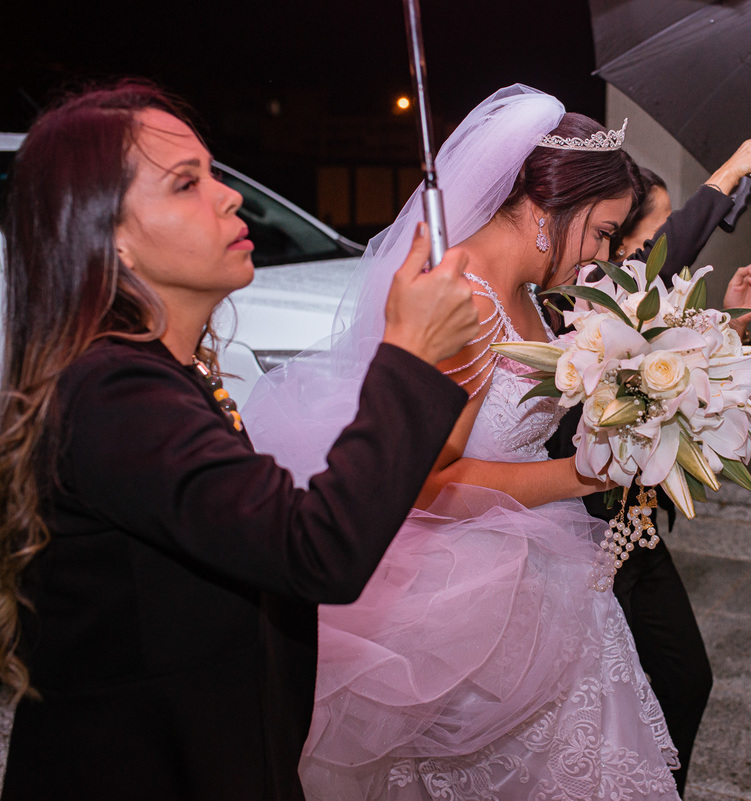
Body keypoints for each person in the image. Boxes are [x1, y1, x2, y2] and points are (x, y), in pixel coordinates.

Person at [0, 82, 479, 800]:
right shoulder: (110, 392)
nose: (230, 198)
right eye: (185, 184)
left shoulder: (168, 369)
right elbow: (315, 548)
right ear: (110, 235)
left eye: (214, 174)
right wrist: (407, 354)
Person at [245, 85, 680, 801]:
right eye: (600, 233)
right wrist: (582, 475)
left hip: (533, 561)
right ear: (548, 213)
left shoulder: (531, 294)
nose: (603, 255)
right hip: (455, 590)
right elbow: (426, 482)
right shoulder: (468, 302)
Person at [548, 129, 751, 794]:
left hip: (638, 537)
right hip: (577, 542)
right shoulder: (576, 307)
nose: (659, 250)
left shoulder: (634, 309)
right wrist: (730, 172)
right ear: (621, 242)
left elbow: (673, 373)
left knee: (687, 677)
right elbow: (667, 255)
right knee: (587, 708)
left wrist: (732, 323)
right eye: (641, 233)